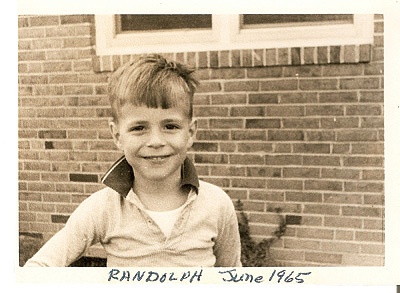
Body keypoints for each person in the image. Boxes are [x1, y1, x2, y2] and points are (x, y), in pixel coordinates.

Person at [24, 54, 242, 267]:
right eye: (139, 128)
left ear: (191, 132)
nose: (156, 141)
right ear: (117, 136)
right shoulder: (103, 208)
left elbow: (232, 277)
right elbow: (38, 269)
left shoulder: (217, 205)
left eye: (171, 126)